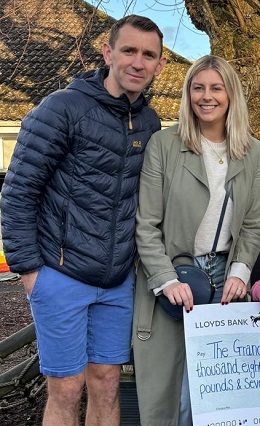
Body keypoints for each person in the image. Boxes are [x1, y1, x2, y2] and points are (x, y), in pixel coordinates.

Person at [0, 15, 166, 425]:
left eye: (149, 55)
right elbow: (18, 191)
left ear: (160, 65)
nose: (138, 62)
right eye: (129, 50)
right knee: (67, 388)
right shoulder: (62, 108)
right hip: (61, 275)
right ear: (108, 53)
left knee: (108, 382)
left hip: (116, 282)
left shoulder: (150, 124)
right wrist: (29, 270)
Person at [133, 55, 260, 425]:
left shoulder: (252, 152)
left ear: (231, 94)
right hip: (174, 274)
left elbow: (255, 222)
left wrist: (240, 273)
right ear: (187, 93)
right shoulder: (164, 144)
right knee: (170, 396)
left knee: (216, 396)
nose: (206, 97)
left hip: (225, 279)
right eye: (198, 87)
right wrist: (165, 279)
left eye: (215, 88)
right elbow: (146, 224)